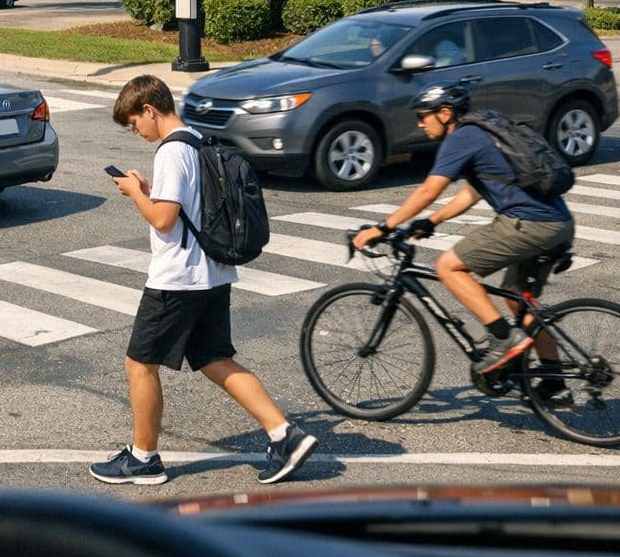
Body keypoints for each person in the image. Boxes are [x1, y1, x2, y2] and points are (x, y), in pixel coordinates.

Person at [92, 75, 317, 486]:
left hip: (178, 278)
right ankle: (285, 435)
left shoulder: (172, 151)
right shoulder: (196, 140)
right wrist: (149, 188)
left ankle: (143, 458)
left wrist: (134, 193)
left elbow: (164, 218)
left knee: (140, 363)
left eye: (133, 123)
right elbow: (189, 203)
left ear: (149, 110)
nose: (135, 132)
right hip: (212, 273)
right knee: (215, 360)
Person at [352, 84, 575, 381]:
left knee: (447, 266)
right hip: (558, 222)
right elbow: (472, 193)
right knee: (516, 297)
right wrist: (432, 222)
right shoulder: (483, 129)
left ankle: (504, 339)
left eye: (423, 116)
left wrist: (383, 227)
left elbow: (429, 190)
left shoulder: (461, 138)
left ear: (445, 114)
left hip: (530, 223)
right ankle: (554, 379)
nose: (420, 123)